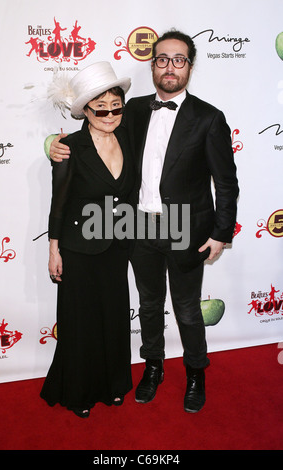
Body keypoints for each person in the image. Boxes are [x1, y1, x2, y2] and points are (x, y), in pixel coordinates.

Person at [48, 30, 239, 413]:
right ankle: (152, 367)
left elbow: (226, 181)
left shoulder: (208, 118)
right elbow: (94, 133)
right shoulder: (131, 109)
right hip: (137, 227)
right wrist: (55, 144)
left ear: (190, 65)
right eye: (163, 59)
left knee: (186, 308)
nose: (170, 67)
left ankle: (195, 373)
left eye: (179, 59)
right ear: (153, 65)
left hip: (184, 225)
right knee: (150, 305)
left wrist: (221, 232)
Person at [40, 62, 135, 418]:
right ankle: (78, 393)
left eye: (116, 107)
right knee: (80, 324)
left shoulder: (127, 135)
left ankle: (112, 385)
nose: (109, 114)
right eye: (101, 108)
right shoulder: (69, 148)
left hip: (117, 247)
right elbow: (58, 203)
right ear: (85, 110)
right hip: (78, 250)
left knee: (112, 318)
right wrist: (54, 248)